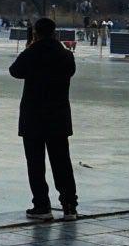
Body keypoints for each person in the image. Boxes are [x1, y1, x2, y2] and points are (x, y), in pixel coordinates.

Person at [9, 17, 79, 221]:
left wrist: (30, 47)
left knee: (36, 164)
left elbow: (15, 71)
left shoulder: (32, 53)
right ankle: (69, 206)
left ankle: (42, 206)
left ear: (35, 34)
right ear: (54, 32)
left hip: (33, 116)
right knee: (62, 163)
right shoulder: (65, 55)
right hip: (58, 116)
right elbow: (70, 72)